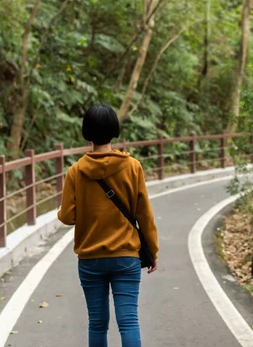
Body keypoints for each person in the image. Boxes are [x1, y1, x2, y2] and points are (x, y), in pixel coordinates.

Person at [58, 103, 159, 347]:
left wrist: (62, 211)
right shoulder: (133, 167)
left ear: (87, 133)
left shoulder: (75, 172)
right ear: (114, 130)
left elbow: (68, 217)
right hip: (126, 257)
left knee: (97, 322)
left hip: (90, 258)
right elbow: (144, 214)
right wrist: (153, 251)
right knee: (129, 322)